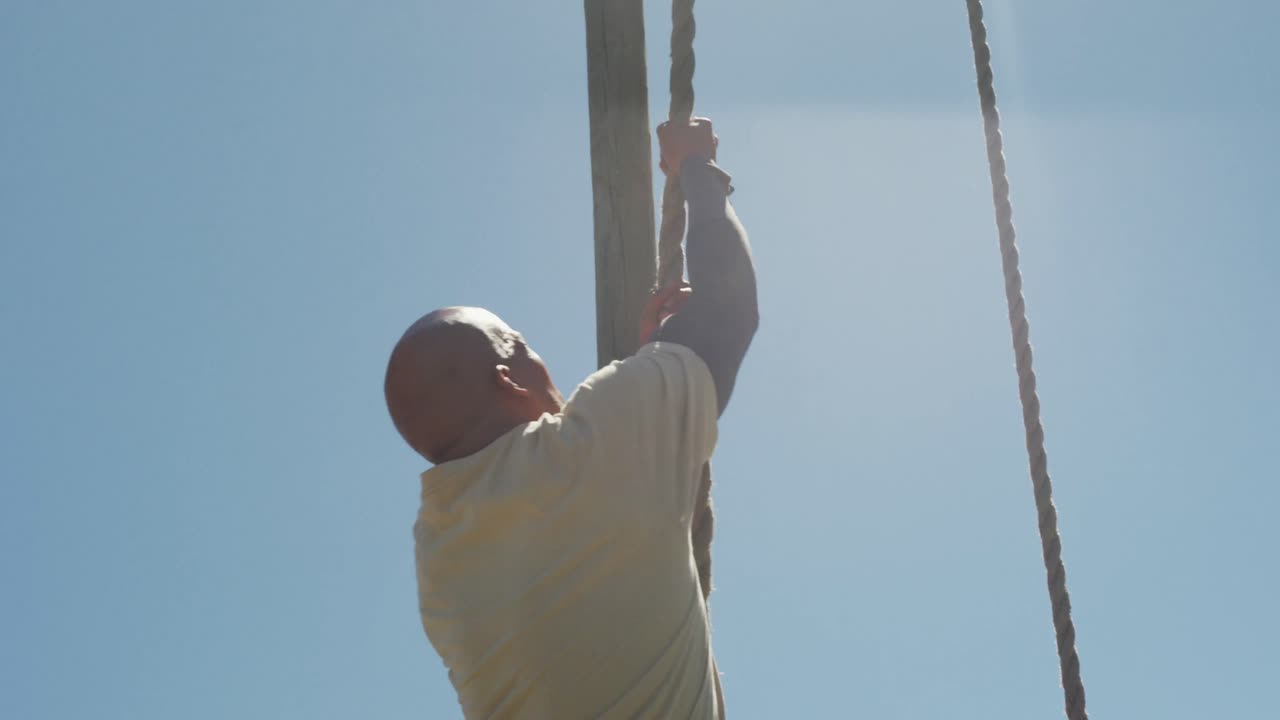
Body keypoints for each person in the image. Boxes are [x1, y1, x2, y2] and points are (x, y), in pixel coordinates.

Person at [384, 118, 758, 719]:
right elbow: (728, 311)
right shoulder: (592, 449)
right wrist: (697, 172)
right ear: (507, 380)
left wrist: (650, 372)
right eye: (527, 350)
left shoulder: (441, 559)